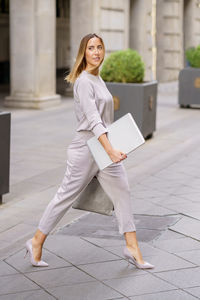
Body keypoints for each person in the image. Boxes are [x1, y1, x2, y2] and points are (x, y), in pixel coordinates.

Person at [24, 33, 154, 269]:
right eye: (91, 48)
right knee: (65, 196)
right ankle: (36, 241)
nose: (96, 52)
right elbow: (94, 121)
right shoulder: (84, 81)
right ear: (83, 53)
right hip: (86, 149)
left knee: (122, 190)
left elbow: (104, 120)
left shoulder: (98, 79)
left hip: (103, 148)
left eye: (100, 48)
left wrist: (112, 148)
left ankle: (132, 247)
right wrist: (111, 151)